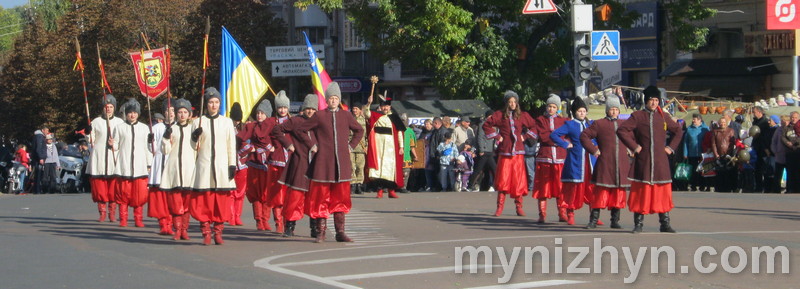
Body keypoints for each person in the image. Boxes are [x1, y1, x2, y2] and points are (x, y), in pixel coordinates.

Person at [297, 82, 364, 243]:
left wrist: (351, 145)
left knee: (340, 199)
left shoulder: (346, 115)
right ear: (326, 100)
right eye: (331, 98)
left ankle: (340, 232)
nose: (333, 101)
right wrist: (312, 145)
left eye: (336, 98)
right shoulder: (319, 115)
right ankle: (321, 232)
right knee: (321, 199)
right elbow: (301, 130)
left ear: (339, 100)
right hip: (323, 164)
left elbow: (359, 130)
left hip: (342, 164)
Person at [616, 85, 682, 233]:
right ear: (646, 101)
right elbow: (622, 131)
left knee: (662, 193)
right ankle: (638, 224)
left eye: (656, 100)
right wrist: (634, 147)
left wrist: (670, 148)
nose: (654, 103)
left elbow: (678, 131)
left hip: (660, 162)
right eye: (651, 100)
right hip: (643, 161)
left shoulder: (663, 116)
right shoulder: (638, 116)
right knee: (641, 193)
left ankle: (664, 223)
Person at [190, 87, 237, 245]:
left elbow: (231, 145)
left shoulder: (226, 122)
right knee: (205, 203)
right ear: (206, 104)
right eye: (211, 102)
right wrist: (195, 137)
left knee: (221, 204)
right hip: (205, 169)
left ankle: (218, 231)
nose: (214, 105)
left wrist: (232, 164)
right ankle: (206, 232)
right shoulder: (197, 122)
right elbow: (192, 148)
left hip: (222, 168)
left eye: (216, 102)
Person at [483, 90, 537, 217]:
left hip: (518, 153)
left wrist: (525, 136)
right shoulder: (500, 115)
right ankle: (499, 207)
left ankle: (519, 207)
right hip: (505, 152)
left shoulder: (522, 115)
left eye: (514, 102)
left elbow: (534, 126)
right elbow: (486, 125)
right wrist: (497, 136)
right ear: (506, 103)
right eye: (510, 102)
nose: (512, 104)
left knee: (518, 181)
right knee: (503, 180)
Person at [580, 96, 630, 229]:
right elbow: (584, 136)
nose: (614, 112)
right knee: (600, 193)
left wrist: (633, 148)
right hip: (605, 164)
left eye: (616, 109)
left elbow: (634, 138)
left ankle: (615, 220)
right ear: (607, 110)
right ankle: (593, 220)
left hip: (621, 165)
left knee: (618, 194)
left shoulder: (624, 125)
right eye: (611, 109)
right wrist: (593, 150)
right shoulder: (599, 124)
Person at [272, 94, 318, 237]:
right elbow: (277, 130)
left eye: (312, 109)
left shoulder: (319, 122)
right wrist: (288, 145)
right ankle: (289, 226)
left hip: (316, 164)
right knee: (295, 197)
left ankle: (314, 228)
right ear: (303, 108)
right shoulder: (296, 121)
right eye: (307, 108)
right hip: (299, 163)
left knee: (314, 198)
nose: (310, 111)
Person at [551, 97, 596, 225]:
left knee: (591, 189)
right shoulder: (570, 125)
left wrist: (597, 147)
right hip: (576, 162)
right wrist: (565, 144)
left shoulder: (590, 124)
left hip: (589, 163)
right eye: (579, 111)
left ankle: (594, 216)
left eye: (584, 111)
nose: (582, 113)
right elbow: (554, 135)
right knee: (573, 189)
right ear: (574, 112)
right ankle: (570, 214)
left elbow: (598, 138)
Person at [112, 98, 153, 228]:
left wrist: (149, 164)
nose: (132, 115)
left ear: (138, 113)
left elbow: (148, 148)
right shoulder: (119, 128)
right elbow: (116, 146)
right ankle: (123, 218)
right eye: (130, 112)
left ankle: (138, 219)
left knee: (139, 196)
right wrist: (112, 144)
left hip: (140, 166)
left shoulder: (144, 128)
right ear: (126, 113)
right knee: (123, 194)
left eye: (135, 112)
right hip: (124, 165)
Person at [159, 98, 196, 241]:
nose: (182, 114)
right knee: (175, 203)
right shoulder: (172, 129)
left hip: (189, 169)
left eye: (184, 112)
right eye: (179, 112)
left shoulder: (193, 129)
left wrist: (197, 137)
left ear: (189, 114)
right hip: (174, 169)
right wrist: (166, 138)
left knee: (186, 203)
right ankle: (177, 229)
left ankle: (184, 229)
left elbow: (198, 149)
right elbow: (165, 150)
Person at [238, 98, 277, 232]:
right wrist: (250, 148)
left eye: (262, 113)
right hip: (254, 163)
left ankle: (266, 220)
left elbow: (279, 141)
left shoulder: (273, 126)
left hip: (268, 163)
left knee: (266, 193)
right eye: (258, 112)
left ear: (267, 114)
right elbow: (240, 139)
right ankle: (259, 220)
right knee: (255, 192)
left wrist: (273, 148)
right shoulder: (251, 126)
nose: (259, 115)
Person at [530, 94, 568, 223]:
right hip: (545, 157)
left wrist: (558, 139)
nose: (551, 109)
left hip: (560, 159)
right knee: (543, 187)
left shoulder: (564, 121)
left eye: (553, 107)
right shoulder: (540, 120)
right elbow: (543, 136)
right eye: (549, 106)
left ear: (557, 108)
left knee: (561, 187)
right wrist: (558, 139)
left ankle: (562, 213)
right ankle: (542, 214)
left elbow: (567, 137)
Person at [88, 94, 124, 222]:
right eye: (106, 106)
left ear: (114, 108)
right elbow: (90, 140)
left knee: (113, 187)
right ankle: (102, 212)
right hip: (99, 157)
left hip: (114, 156)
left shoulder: (120, 122)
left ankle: (112, 213)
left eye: (110, 107)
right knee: (100, 188)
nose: (108, 109)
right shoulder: (96, 122)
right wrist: (88, 133)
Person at [366, 94, 405, 198]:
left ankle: (391, 190)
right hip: (378, 147)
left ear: (390, 107)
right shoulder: (376, 115)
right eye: (383, 106)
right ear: (380, 107)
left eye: (387, 106)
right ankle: (380, 190)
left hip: (391, 148)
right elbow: (366, 113)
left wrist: (401, 146)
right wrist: (369, 103)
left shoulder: (395, 118)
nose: (385, 108)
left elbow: (400, 133)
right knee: (379, 169)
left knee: (390, 168)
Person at [265, 91, 292, 233]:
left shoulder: (292, 122)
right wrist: (270, 147)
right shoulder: (271, 122)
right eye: (280, 107)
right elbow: (262, 136)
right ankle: (278, 223)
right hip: (276, 162)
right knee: (277, 194)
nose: (282, 110)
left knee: (289, 195)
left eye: (285, 108)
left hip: (290, 162)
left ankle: (288, 223)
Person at [147, 98, 175, 235]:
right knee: (160, 198)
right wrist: (149, 141)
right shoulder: (156, 128)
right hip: (159, 165)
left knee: (173, 198)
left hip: (174, 165)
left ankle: (173, 223)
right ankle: (163, 224)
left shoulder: (179, 128)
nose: (170, 113)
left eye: (172, 110)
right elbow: (151, 148)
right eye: (167, 110)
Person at [469, 111, 497, 192]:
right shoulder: (483, 124)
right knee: (478, 169)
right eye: (491, 116)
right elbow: (480, 138)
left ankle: (496, 185)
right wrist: (481, 149)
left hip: (490, 151)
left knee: (495, 169)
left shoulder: (492, 125)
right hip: (484, 151)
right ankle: (470, 185)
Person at [228, 103, 246, 226]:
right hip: (230, 162)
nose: (236, 123)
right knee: (230, 191)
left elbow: (249, 144)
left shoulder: (245, 128)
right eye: (235, 120)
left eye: (238, 120)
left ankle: (237, 215)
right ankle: (230, 215)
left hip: (242, 163)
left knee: (240, 191)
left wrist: (243, 150)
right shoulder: (227, 127)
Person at [682, 114, 710, 191]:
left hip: (702, 153)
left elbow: (708, 140)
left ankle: (702, 185)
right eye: (693, 119)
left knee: (702, 170)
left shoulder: (705, 129)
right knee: (693, 170)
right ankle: (693, 185)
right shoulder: (689, 129)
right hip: (692, 153)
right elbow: (686, 142)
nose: (693, 121)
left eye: (695, 119)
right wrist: (685, 153)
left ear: (699, 120)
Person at [711, 116, 737, 193]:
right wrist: (716, 154)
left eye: (724, 122)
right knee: (719, 172)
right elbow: (713, 144)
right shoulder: (715, 131)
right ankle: (719, 188)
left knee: (728, 171)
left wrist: (730, 153)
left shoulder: (730, 131)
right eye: (721, 122)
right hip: (719, 154)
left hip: (728, 154)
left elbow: (732, 142)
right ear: (719, 123)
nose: (722, 124)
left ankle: (728, 188)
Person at [349, 100, 369, 195]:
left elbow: (367, 134)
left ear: (360, 110)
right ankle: (352, 184)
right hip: (350, 145)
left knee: (360, 166)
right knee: (351, 166)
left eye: (356, 109)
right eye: (353, 108)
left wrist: (367, 146)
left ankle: (359, 185)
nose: (355, 110)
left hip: (361, 146)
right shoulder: (349, 118)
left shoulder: (364, 119)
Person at [750, 107, 770, 192]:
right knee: (757, 169)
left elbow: (764, 137)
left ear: (759, 112)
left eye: (754, 112)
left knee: (764, 169)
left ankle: (765, 187)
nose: (753, 114)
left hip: (763, 148)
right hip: (756, 147)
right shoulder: (755, 121)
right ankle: (758, 187)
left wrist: (765, 148)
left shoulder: (764, 122)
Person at [770, 115, 790, 194]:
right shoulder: (778, 130)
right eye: (782, 121)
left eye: (784, 121)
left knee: (790, 174)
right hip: (779, 155)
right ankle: (776, 190)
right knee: (778, 174)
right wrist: (775, 151)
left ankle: (789, 189)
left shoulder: (791, 129)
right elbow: (774, 141)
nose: (782, 122)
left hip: (789, 155)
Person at [782, 112, 800, 193]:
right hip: (789, 152)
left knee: (797, 171)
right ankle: (790, 188)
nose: (793, 119)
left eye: (795, 117)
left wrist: (795, 143)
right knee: (790, 171)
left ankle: (797, 188)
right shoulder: (787, 127)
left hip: (798, 151)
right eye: (792, 117)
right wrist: (787, 143)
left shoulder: (799, 127)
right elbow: (783, 137)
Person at [400, 113, 418, 193]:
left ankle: (395, 187)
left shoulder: (396, 129)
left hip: (399, 156)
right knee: (405, 172)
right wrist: (415, 156)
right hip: (405, 156)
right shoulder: (410, 131)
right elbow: (412, 146)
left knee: (399, 172)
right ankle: (403, 187)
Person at [30, 126, 49, 194]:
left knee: (37, 175)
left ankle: (36, 189)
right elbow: (39, 148)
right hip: (38, 159)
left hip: (37, 158)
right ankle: (37, 190)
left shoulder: (38, 136)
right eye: (46, 130)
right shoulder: (40, 137)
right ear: (42, 130)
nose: (47, 132)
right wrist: (41, 158)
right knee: (38, 175)